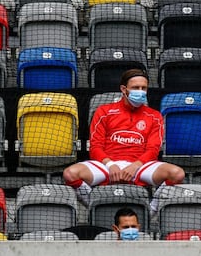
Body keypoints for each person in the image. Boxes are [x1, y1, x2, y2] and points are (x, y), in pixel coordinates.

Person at [63, 69, 185, 205]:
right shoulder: (104, 111)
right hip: (107, 165)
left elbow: (153, 149)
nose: (140, 92)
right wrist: (110, 164)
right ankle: (94, 205)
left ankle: (152, 211)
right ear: (123, 89)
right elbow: (95, 146)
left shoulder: (154, 116)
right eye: (135, 88)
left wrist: (135, 166)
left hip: (140, 165)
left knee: (177, 174)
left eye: (144, 88)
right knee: (70, 174)